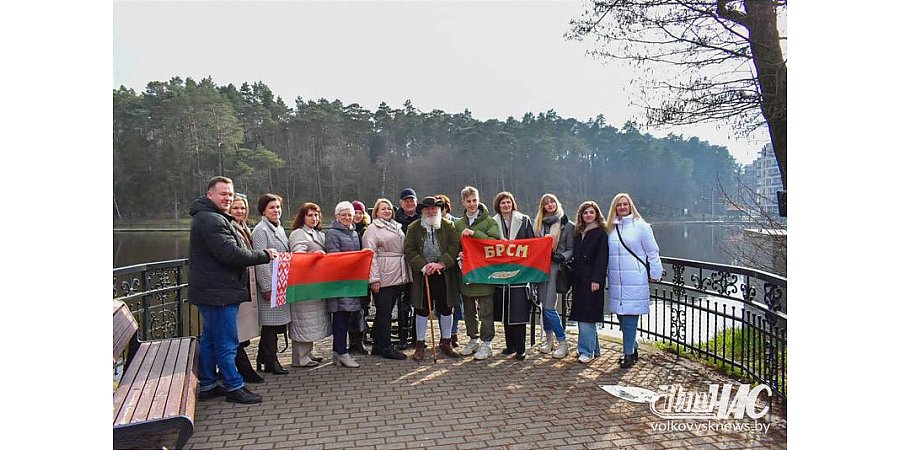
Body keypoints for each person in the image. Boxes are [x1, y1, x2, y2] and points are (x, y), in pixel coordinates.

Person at [189, 176, 276, 404]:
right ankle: (233, 385)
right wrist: (265, 255)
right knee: (227, 341)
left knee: (209, 339)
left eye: (230, 193)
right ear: (210, 195)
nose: (227, 198)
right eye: (223, 194)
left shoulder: (209, 217)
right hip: (219, 292)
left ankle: (207, 384)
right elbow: (231, 254)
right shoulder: (211, 220)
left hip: (212, 290)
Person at [605, 193, 662, 369]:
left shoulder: (641, 226)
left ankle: (628, 354)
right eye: (619, 205)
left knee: (630, 318)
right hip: (617, 280)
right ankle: (633, 347)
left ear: (631, 206)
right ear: (614, 208)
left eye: (625, 204)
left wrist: (655, 272)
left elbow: (652, 251)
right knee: (621, 317)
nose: (622, 207)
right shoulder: (611, 229)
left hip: (635, 279)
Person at [404, 196, 462, 360]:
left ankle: (446, 342)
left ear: (439, 210)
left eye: (434, 208)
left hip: (444, 274)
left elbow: (453, 247)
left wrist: (441, 264)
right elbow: (410, 249)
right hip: (423, 275)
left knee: (446, 308)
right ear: (422, 211)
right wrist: (423, 266)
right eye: (427, 209)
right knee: (421, 310)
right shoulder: (414, 227)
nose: (431, 211)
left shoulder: (448, 226)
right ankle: (420, 344)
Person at [454, 186, 501, 360]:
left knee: (486, 311)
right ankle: (472, 339)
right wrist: (458, 252)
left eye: (475, 200)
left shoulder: (490, 222)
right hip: (466, 273)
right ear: (463, 203)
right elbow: (454, 245)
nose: (472, 204)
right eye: (468, 201)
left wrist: (475, 233)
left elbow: (495, 244)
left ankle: (487, 342)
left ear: (479, 200)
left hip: (484, 273)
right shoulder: (458, 224)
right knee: (468, 311)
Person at [362, 198, 411, 360]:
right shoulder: (372, 229)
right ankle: (385, 346)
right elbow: (370, 255)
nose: (387, 211)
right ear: (376, 212)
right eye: (383, 209)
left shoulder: (396, 227)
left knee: (386, 312)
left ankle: (377, 344)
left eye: (389, 208)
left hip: (396, 275)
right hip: (382, 276)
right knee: (384, 313)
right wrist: (374, 279)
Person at [287, 202, 332, 368]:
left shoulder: (318, 233)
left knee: (310, 321)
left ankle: (307, 353)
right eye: (310, 215)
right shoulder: (298, 234)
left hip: (315, 283)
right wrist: (314, 255)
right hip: (303, 283)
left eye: (316, 215)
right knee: (303, 320)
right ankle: (300, 358)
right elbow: (297, 255)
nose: (314, 218)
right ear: (302, 217)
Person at [251, 193, 292, 375]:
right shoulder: (261, 230)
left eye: (278, 207)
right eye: (272, 208)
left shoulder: (279, 228)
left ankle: (263, 356)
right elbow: (260, 260)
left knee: (275, 324)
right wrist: (267, 287)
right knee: (270, 325)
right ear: (263, 210)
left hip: (281, 281)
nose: (276, 210)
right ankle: (270, 360)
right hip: (270, 283)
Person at [227, 193, 265, 383]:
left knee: (242, 331)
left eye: (242, 208)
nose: (240, 211)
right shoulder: (230, 228)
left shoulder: (244, 228)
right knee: (236, 331)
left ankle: (241, 368)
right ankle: (243, 369)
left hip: (246, 285)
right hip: (236, 286)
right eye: (235, 208)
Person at [491, 192, 534, 360]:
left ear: (513, 204)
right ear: (498, 205)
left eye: (508, 202)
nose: (506, 205)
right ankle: (510, 345)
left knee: (519, 310)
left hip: (520, 271)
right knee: (505, 310)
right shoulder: (493, 223)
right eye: (502, 203)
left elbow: (532, 243)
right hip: (501, 271)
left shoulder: (524, 220)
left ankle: (521, 347)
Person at [533, 193, 574, 359]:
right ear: (542, 207)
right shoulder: (538, 225)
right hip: (539, 268)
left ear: (557, 203)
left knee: (550, 307)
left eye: (552, 202)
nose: (549, 205)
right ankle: (549, 340)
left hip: (555, 268)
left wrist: (562, 256)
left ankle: (563, 341)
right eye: (546, 203)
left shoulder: (566, 224)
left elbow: (571, 248)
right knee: (543, 305)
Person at [325, 201, 365, 368]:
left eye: (350, 215)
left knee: (347, 317)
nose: (348, 218)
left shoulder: (354, 233)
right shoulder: (333, 233)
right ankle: (341, 352)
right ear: (337, 216)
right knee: (341, 318)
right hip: (340, 282)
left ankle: (338, 352)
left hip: (353, 281)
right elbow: (334, 257)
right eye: (344, 215)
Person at [570, 201, 609, 364]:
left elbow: (602, 258)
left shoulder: (601, 233)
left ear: (597, 214)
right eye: (585, 213)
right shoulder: (579, 233)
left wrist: (597, 279)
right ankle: (595, 349)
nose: (588, 215)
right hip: (580, 279)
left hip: (592, 280)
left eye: (591, 212)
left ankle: (586, 351)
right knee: (583, 314)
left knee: (587, 315)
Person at [435, 193, 463, 348]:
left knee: (456, 303)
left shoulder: (456, 223)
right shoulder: (431, 223)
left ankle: (453, 333)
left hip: (454, 269)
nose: (440, 209)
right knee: (440, 304)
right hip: (438, 270)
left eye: (442, 206)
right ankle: (443, 334)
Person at [393, 188, 420, 349]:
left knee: (419, 303)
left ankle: (417, 337)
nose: (409, 203)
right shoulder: (395, 221)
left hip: (419, 267)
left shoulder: (422, 218)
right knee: (403, 303)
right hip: (401, 266)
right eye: (406, 201)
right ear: (401, 203)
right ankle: (402, 337)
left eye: (412, 200)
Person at [348, 200, 372, 355]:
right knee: (350, 309)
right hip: (350, 275)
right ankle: (352, 341)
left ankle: (361, 339)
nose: (357, 215)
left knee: (364, 308)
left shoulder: (367, 230)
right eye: (355, 212)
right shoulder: (348, 230)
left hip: (364, 275)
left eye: (360, 212)